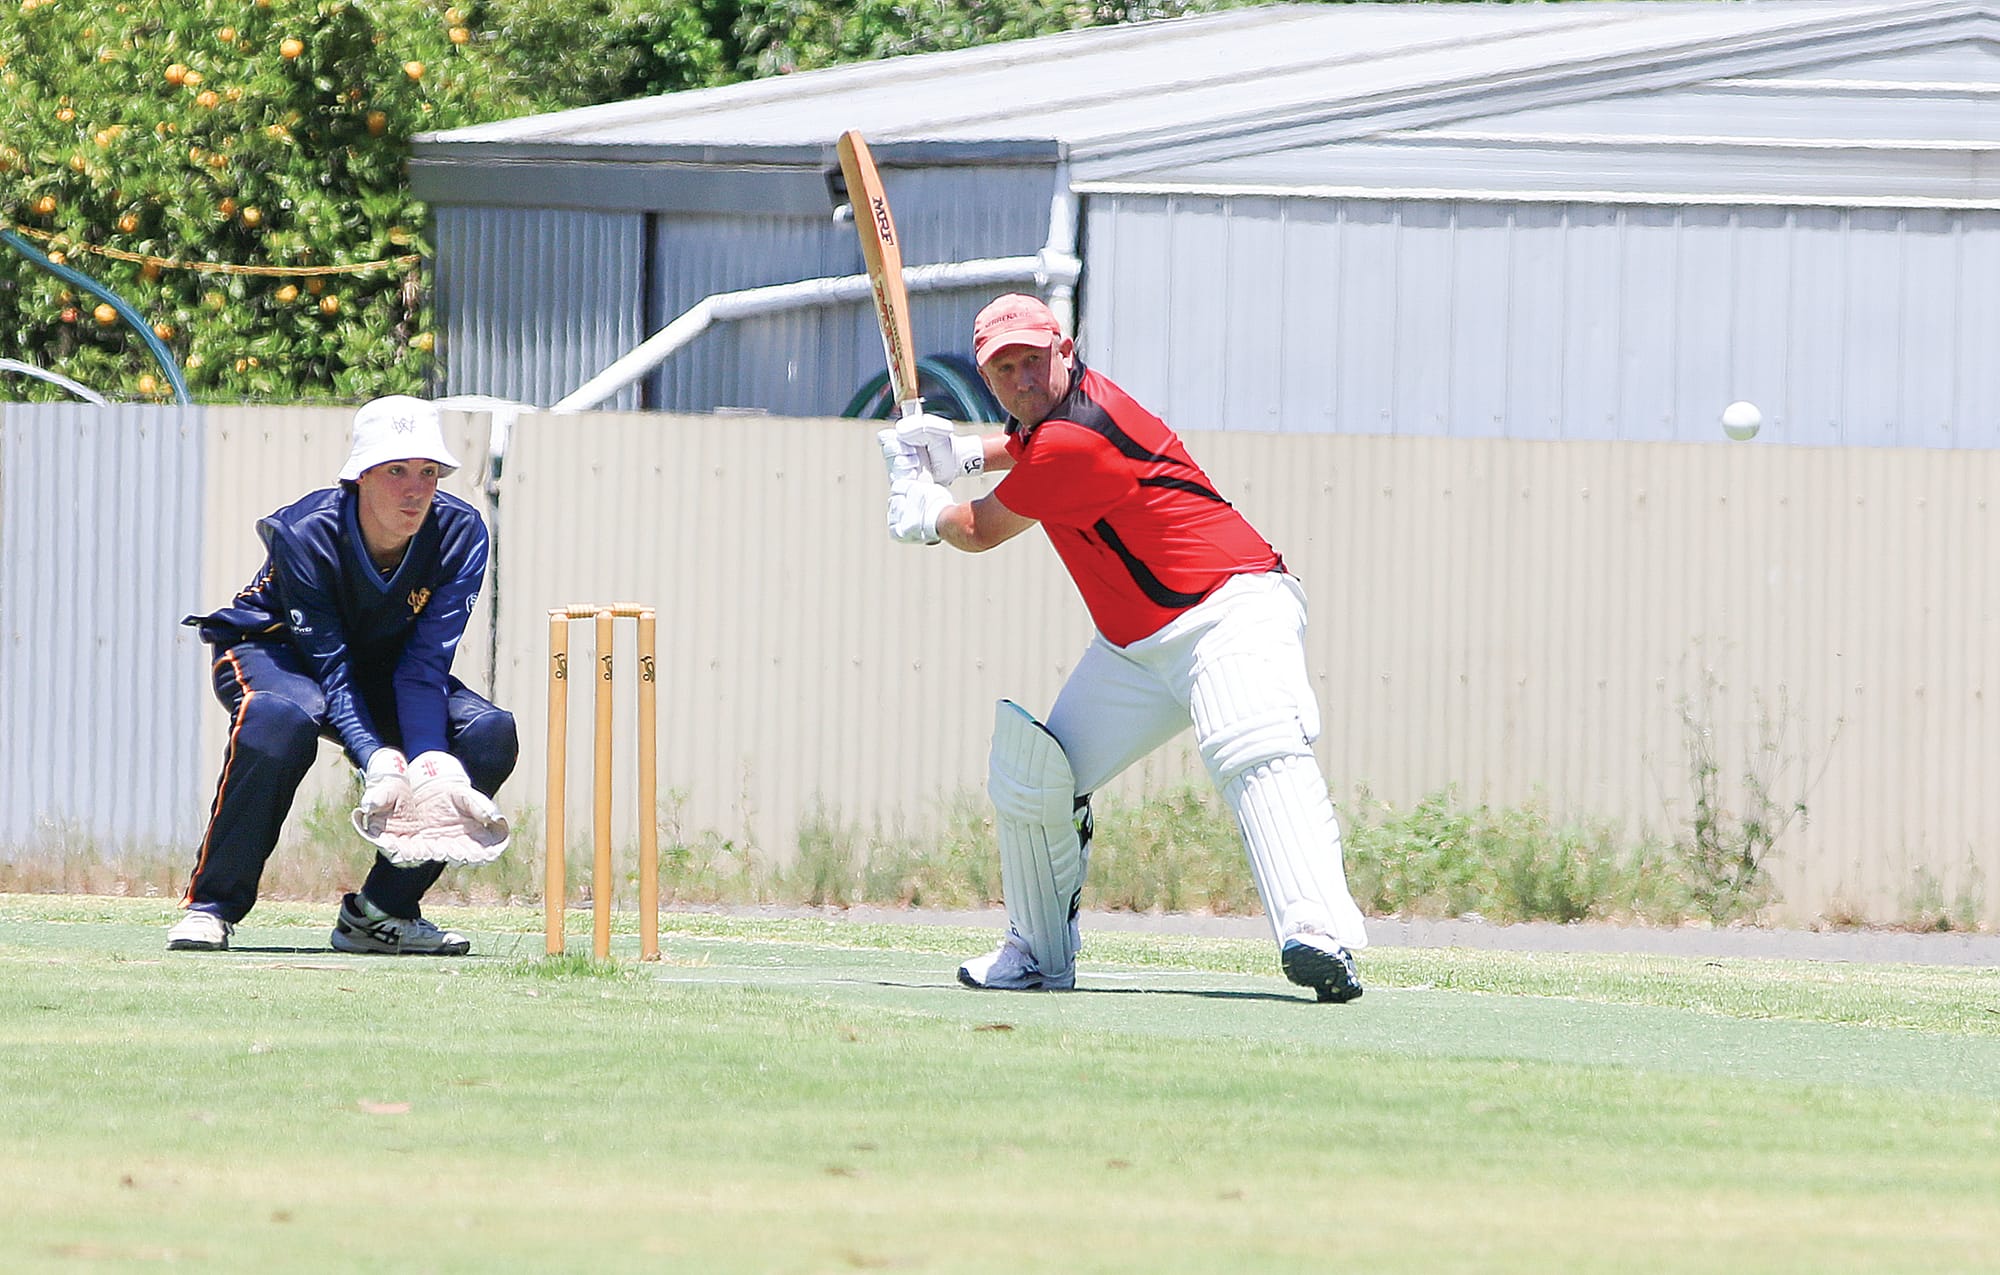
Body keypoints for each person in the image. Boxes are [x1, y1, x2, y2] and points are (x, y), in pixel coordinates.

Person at [881, 294, 1368, 1001]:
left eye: (1033, 360)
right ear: (987, 378)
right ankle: (1037, 956)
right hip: (1135, 646)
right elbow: (1023, 443)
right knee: (1033, 779)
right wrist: (960, 452)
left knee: (1250, 741)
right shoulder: (1051, 419)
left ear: (1064, 351)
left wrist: (925, 510)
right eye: (1004, 369)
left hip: (1229, 608)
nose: (1022, 379)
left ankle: (1317, 934)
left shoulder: (1077, 436)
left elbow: (980, 529)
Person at [169, 396, 517, 955]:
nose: (415, 490)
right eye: (396, 470)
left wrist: (430, 765)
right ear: (360, 475)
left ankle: (380, 914)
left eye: (428, 472)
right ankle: (211, 906)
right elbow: (330, 667)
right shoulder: (305, 532)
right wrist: (378, 759)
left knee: (488, 733)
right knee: (281, 720)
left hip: (385, 666)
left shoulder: (460, 533)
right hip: (277, 652)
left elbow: (424, 668)